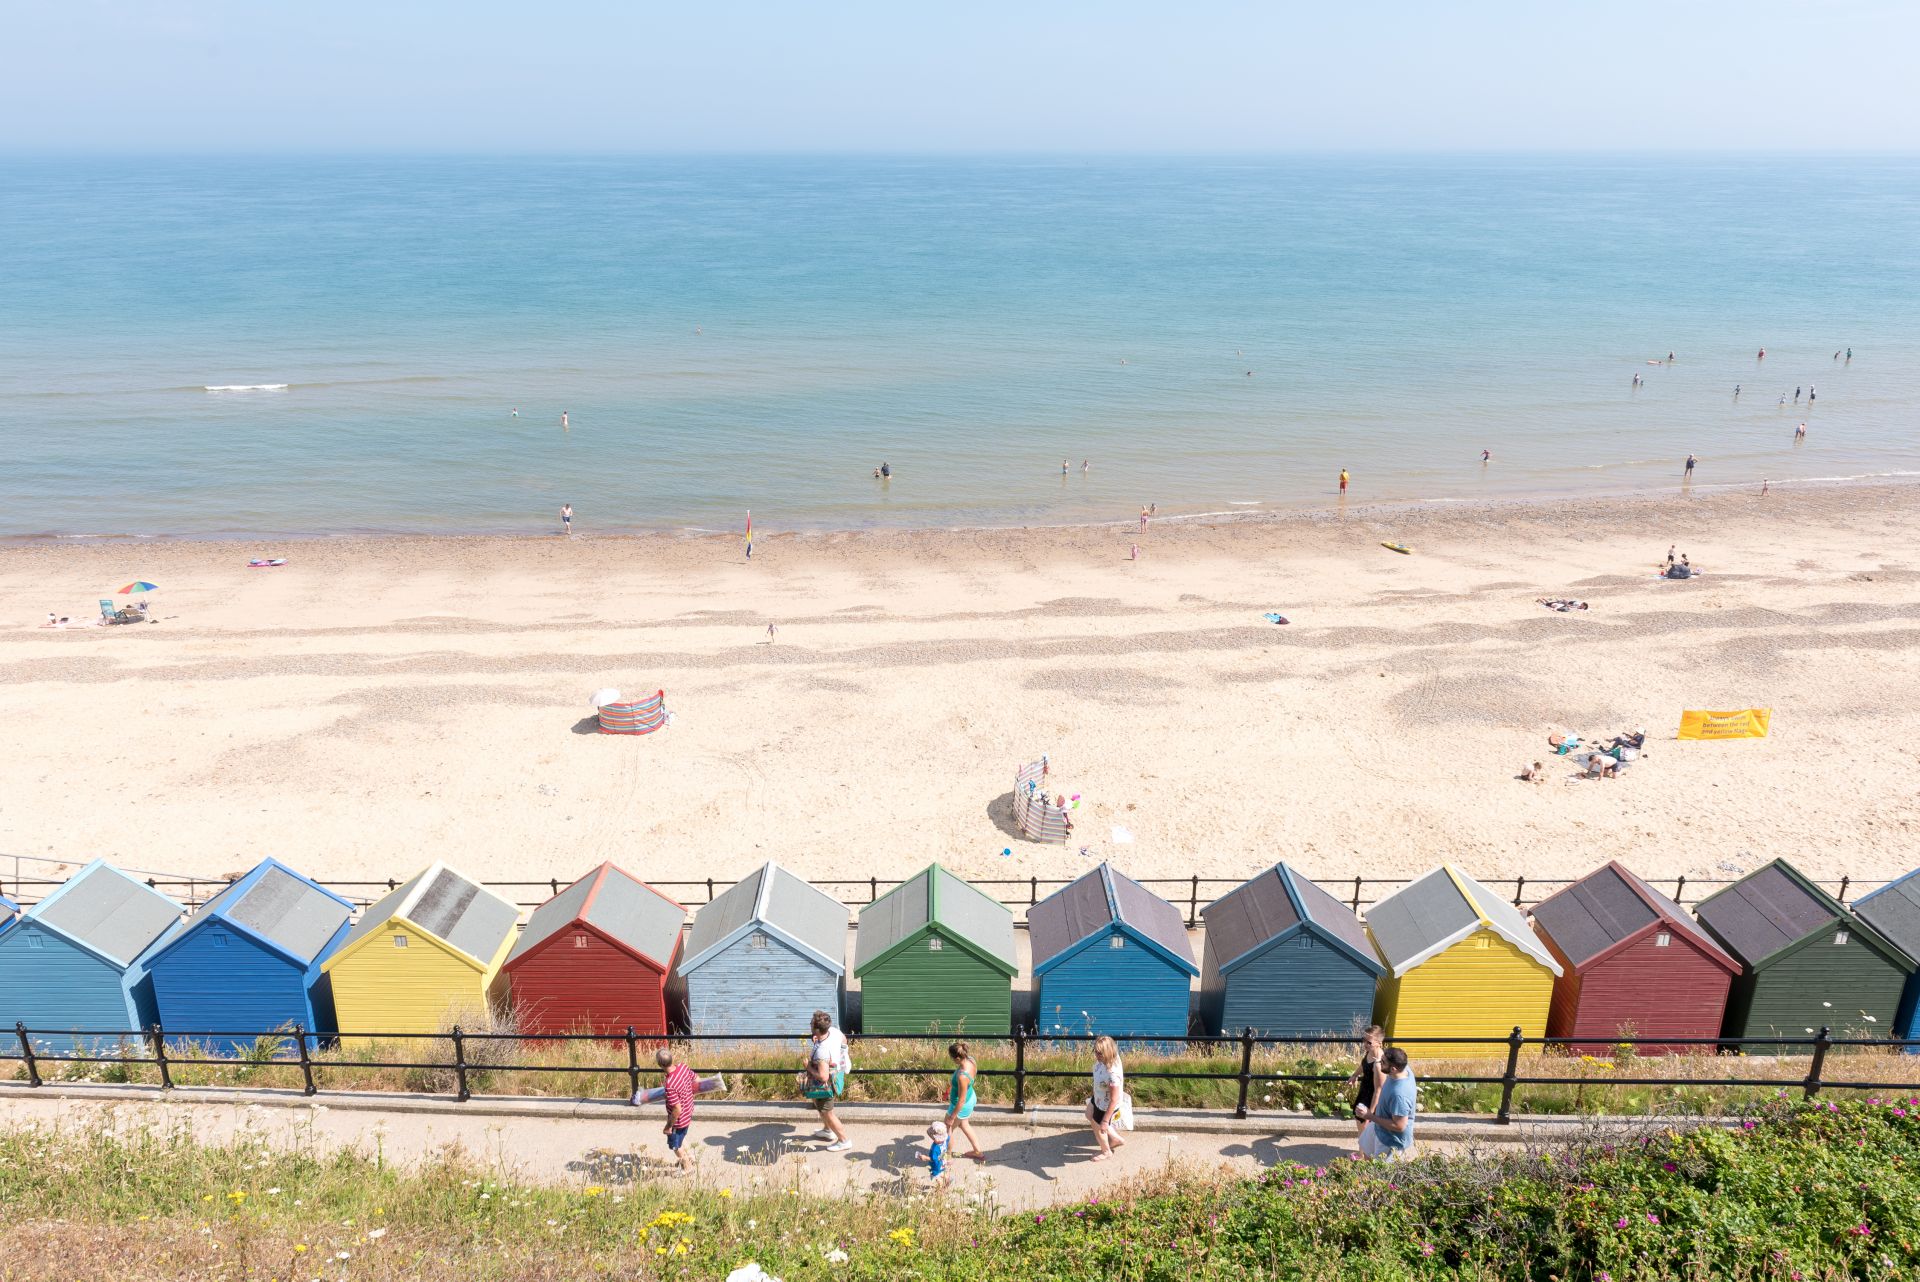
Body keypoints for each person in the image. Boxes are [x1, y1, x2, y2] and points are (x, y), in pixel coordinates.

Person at [804, 1010, 853, 1151]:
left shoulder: (822, 1050)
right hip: (836, 1074)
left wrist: (808, 1067)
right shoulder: (831, 1032)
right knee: (820, 1106)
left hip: (824, 1084)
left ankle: (844, 1140)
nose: (810, 1026)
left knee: (828, 1112)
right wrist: (841, 1051)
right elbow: (844, 1039)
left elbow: (823, 1076)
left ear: (817, 1029)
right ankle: (827, 1131)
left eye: (812, 1024)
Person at [1361, 1047, 1416, 1159]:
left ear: (1393, 1069)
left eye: (1383, 1062)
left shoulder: (1399, 1095)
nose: (1379, 1063)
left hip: (1390, 1140)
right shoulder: (1405, 1069)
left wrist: (1369, 1116)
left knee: (1378, 1173)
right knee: (1366, 1155)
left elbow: (1399, 1126)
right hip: (1378, 1127)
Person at [1086, 1035, 1130, 1162]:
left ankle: (1106, 1151)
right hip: (1099, 1097)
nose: (1096, 1055)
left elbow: (1114, 1099)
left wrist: (1105, 1121)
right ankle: (1116, 1139)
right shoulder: (1111, 1058)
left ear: (1107, 1052)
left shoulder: (1112, 1075)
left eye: (1099, 1053)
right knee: (1089, 1114)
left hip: (1105, 1105)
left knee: (1098, 1126)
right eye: (1095, 1051)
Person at [943, 1042, 986, 1163]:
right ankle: (978, 1152)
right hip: (970, 1097)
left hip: (961, 1105)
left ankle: (948, 1156)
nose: (951, 1059)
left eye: (951, 1058)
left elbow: (961, 1100)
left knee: (947, 1129)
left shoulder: (962, 1076)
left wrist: (952, 1116)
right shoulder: (971, 1060)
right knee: (964, 1125)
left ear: (957, 1058)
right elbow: (965, 1086)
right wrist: (950, 1089)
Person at [657, 1047, 697, 1173]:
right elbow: (696, 1079)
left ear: (660, 1064)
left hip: (678, 1120)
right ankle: (691, 1157)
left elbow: (676, 1109)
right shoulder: (683, 1067)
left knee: (675, 1145)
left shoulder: (670, 1084)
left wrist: (668, 1126)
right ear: (671, 1058)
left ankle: (687, 1167)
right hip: (688, 1111)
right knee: (682, 1135)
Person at [1348, 1025, 1385, 1136]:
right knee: (1360, 1123)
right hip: (1365, 1091)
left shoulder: (1380, 1062)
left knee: (1365, 1127)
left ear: (1379, 1043)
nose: (1365, 1044)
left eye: (1369, 1042)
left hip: (1373, 1097)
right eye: (1364, 1040)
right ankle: (1362, 1153)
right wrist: (1354, 1076)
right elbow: (1363, 1065)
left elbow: (1379, 1090)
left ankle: (1362, 1153)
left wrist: (1370, 1113)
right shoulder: (1370, 1052)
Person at [919, 1120, 950, 1186]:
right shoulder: (946, 1138)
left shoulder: (935, 1148)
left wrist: (925, 1158)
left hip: (936, 1166)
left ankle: (941, 1189)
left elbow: (934, 1159)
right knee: (942, 1172)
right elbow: (929, 1131)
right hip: (943, 1160)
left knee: (936, 1177)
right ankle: (947, 1179)